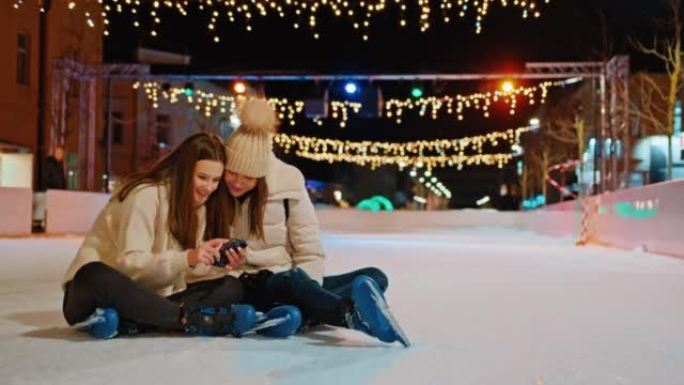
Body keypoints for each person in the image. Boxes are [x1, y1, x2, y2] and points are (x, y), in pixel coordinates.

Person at [222, 98, 409, 347]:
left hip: (295, 282)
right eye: (231, 172)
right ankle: (348, 315)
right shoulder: (216, 192)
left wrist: (309, 292)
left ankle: (294, 317)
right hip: (252, 284)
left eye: (247, 176)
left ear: (260, 173)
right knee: (291, 280)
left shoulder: (288, 183)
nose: (236, 181)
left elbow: (309, 249)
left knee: (375, 277)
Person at [61, 133, 261, 339]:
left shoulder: (197, 209)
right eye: (202, 177)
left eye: (216, 180)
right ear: (183, 171)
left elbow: (179, 274)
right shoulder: (145, 195)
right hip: (96, 294)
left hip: (150, 296)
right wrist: (189, 257)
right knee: (93, 274)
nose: (209, 187)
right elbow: (130, 266)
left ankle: (135, 322)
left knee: (230, 286)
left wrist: (212, 260)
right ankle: (190, 320)